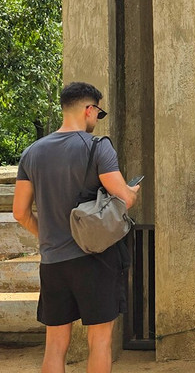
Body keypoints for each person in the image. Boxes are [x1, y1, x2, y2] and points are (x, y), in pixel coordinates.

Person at [12, 81, 140, 373]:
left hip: (53, 261)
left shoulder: (32, 153)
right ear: (88, 109)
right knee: (99, 340)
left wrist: (47, 236)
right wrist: (132, 191)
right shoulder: (97, 147)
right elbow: (123, 198)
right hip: (95, 259)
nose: (97, 119)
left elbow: (20, 212)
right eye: (98, 112)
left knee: (55, 343)